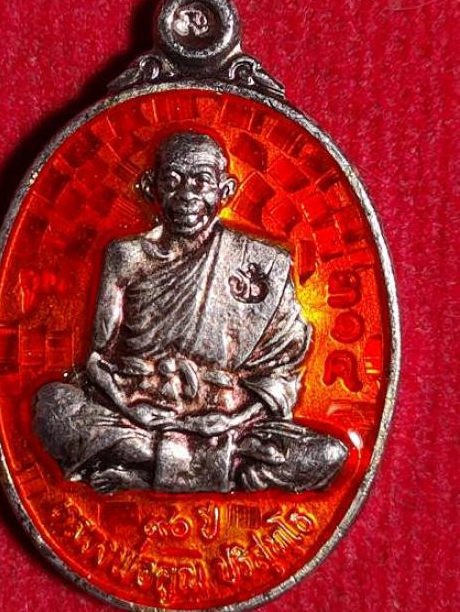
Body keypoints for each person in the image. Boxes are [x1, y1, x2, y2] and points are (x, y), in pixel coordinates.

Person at [34, 131, 347, 493]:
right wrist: (131, 407)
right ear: (150, 188)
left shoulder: (264, 264)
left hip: (228, 422)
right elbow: (96, 359)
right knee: (52, 405)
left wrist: (230, 418)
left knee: (327, 454)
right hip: (138, 414)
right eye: (172, 181)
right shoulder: (125, 257)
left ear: (225, 190)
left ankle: (148, 465)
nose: (186, 195)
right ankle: (208, 466)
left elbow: (281, 373)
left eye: (201, 182)